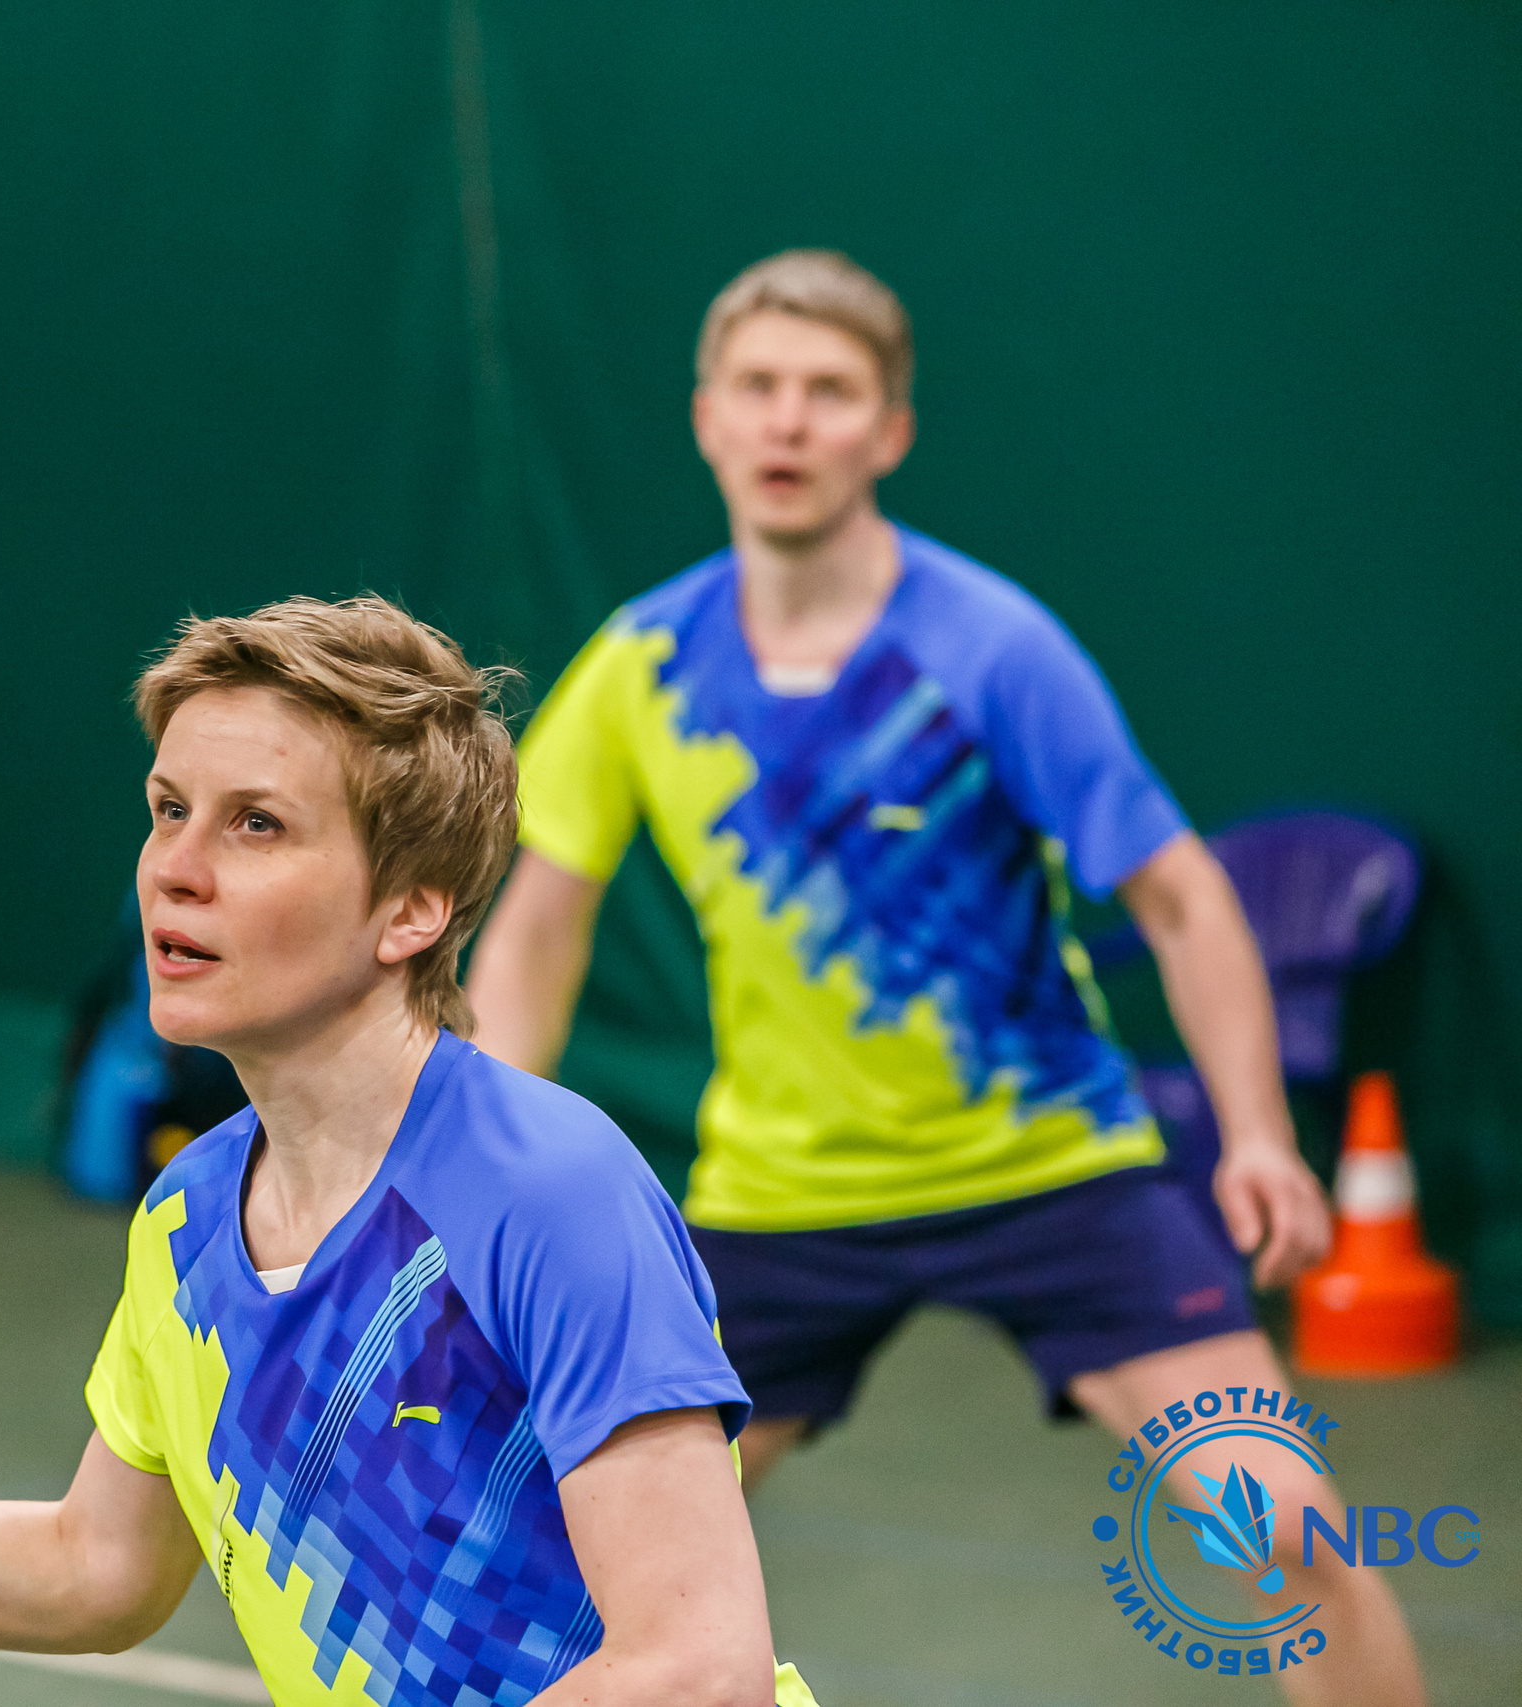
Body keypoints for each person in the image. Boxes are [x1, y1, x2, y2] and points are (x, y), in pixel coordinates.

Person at [465, 250, 1424, 1705]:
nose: (790, 422)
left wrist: (1263, 1135)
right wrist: (492, 1172)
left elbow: (1182, 895)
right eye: (760, 389)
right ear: (707, 419)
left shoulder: (993, 647)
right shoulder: (643, 664)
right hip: (777, 1202)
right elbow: (539, 923)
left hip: (1053, 1168)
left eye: (830, 392)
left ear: (889, 431)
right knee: (563, 1557)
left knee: (1285, 1527)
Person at [0, 595, 819, 1707]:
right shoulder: (189, 1218)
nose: (174, 869)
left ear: (412, 909)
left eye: (256, 826)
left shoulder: (545, 1191)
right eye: (168, 810)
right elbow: (94, 1570)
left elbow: (695, 1671)